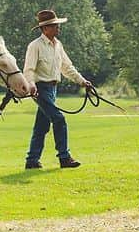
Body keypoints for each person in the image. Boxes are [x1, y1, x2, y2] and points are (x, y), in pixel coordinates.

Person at [23, 9, 92, 169]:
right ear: (45, 28)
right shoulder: (35, 46)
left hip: (53, 90)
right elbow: (29, 70)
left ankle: (32, 161)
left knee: (41, 126)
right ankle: (64, 157)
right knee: (59, 119)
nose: (58, 28)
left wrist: (82, 81)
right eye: (54, 26)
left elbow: (67, 67)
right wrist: (31, 85)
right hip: (40, 89)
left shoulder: (58, 45)